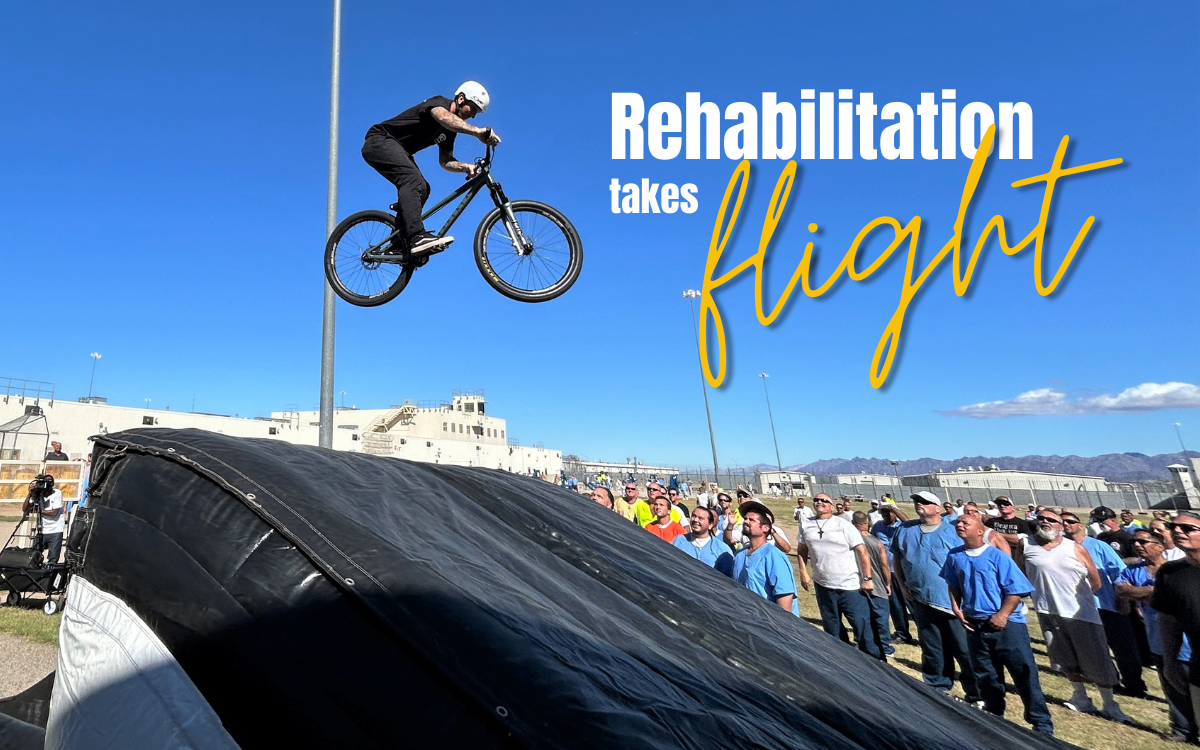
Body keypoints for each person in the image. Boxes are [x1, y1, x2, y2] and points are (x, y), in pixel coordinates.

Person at [941, 513, 1053, 735]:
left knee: (1024, 674)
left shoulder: (997, 557)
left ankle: (1041, 724)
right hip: (975, 625)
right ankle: (994, 716)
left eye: (966, 523)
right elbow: (953, 583)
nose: (960, 525)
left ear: (981, 531)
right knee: (986, 675)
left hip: (1006, 626)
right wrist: (957, 608)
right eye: (958, 523)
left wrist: (1002, 615)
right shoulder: (954, 556)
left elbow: (1016, 590)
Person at [362, 82, 501, 257]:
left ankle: (398, 242)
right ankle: (417, 236)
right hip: (380, 141)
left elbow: (445, 161)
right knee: (411, 180)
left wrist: (465, 167)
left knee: (423, 188)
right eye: (473, 108)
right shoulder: (440, 103)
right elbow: (443, 117)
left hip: (400, 150)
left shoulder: (450, 132)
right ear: (460, 99)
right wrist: (477, 132)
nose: (473, 116)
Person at [1019, 509, 1131, 723]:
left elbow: (1095, 580)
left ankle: (1109, 704)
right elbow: (1021, 570)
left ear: (1060, 526)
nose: (1044, 522)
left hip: (1080, 612)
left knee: (1096, 658)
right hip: (1046, 609)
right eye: (1041, 519)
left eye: (1050, 520)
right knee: (1064, 657)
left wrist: (1084, 597)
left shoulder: (1075, 548)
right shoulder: (1027, 545)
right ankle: (1080, 696)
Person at [890, 491, 981, 702]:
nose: (919, 505)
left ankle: (976, 693)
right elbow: (897, 559)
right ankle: (936, 686)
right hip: (920, 599)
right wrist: (903, 587)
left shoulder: (952, 530)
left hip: (952, 602)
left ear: (937, 508)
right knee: (932, 647)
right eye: (916, 501)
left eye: (925, 502)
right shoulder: (905, 529)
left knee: (964, 649)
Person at [1117, 528, 1197, 743]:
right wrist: (1152, 592)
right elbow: (1122, 591)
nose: (1137, 545)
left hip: (1188, 641)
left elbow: (1169, 595)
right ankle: (1182, 729)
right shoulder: (1134, 570)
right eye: (1135, 541)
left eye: (1143, 541)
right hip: (1157, 637)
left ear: (1161, 546)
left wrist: (1142, 592)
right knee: (1172, 687)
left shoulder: (1175, 571)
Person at [1060, 511, 1146, 698]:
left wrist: (1123, 600)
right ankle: (1111, 681)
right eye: (1063, 521)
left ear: (1080, 525)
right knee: (1096, 649)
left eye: (1070, 521)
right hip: (1080, 607)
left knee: (1124, 648)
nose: (1066, 524)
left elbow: (1120, 574)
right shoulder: (1061, 548)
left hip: (1108, 604)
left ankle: (1135, 685)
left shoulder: (1098, 546)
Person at [797, 496, 880, 659]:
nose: (819, 502)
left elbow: (862, 551)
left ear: (832, 507)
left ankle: (874, 660)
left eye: (824, 501)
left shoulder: (843, 525)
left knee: (862, 625)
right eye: (816, 500)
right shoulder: (806, 524)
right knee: (832, 626)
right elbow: (801, 550)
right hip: (823, 585)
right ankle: (841, 659)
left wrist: (867, 578)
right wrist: (803, 572)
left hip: (850, 586)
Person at [1154, 511, 1200, 737]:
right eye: (1174, 528)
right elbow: (1168, 619)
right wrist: (1170, 661)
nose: (1178, 532)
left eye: (1188, 528)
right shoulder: (1170, 573)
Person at [731, 501, 799, 615]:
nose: (746, 522)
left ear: (766, 528)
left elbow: (785, 596)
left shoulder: (773, 555)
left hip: (769, 624)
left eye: (751, 520)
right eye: (745, 519)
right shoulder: (739, 555)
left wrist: (782, 627)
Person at [853, 511, 894, 658]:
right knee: (881, 617)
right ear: (868, 524)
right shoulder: (877, 543)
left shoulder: (851, 541)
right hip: (877, 585)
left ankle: (861, 641)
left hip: (857, 584)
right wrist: (887, 583)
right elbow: (884, 566)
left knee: (861, 616)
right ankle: (885, 647)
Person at [872, 504, 913, 644]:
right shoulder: (877, 527)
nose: (886, 515)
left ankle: (926, 635)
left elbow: (909, 523)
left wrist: (893, 508)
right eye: (883, 513)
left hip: (904, 571)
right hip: (888, 571)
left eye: (888, 513)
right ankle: (903, 634)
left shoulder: (902, 526)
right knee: (896, 606)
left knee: (912, 603)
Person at [673, 507, 735, 576]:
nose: (695, 520)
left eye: (700, 518)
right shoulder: (679, 541)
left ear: (710, 525)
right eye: (694, 516)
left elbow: (726, 578)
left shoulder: (721, 549)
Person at [22, 475, 64, 565]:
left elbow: (54, 513)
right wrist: (30, 494)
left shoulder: (57, 493)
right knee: (33, 556)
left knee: (53, 559)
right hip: (42, 530)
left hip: (55, 530)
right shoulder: (38, 494)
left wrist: (39, 511)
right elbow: (25, 509)